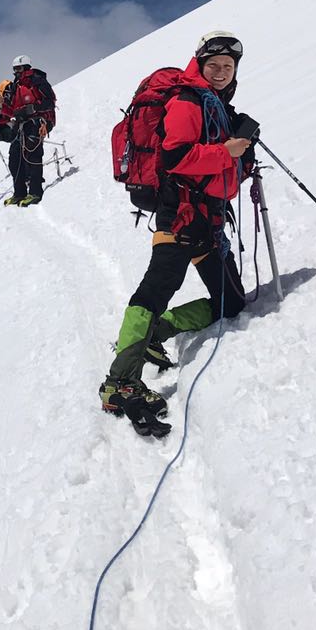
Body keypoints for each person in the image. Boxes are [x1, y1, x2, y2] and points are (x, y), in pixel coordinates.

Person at [100, 31, 255, 438]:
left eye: (228, 67)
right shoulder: (188, 101)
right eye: (214, 66)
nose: (221, 72)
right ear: (200, 64)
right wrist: (228, 152)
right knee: (157, 288)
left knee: (231, 301)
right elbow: (175, 157)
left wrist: (242, 157)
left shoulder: (217, 106)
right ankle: (120, 380)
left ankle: (157, 332)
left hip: (208, 219)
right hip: (181, 214)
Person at [0, 54, 57, 207]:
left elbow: (50, 102)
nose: (16, 72)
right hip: (23, 124)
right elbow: (13, 110)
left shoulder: (37, 81)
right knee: (14, 158)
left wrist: (32, 108)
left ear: (26, 67)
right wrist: (2, 106)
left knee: (33, 154)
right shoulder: (16, 86)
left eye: (18, 68)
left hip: (39, 120)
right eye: (14, 69)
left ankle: (35, 192)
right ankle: (19, 193)